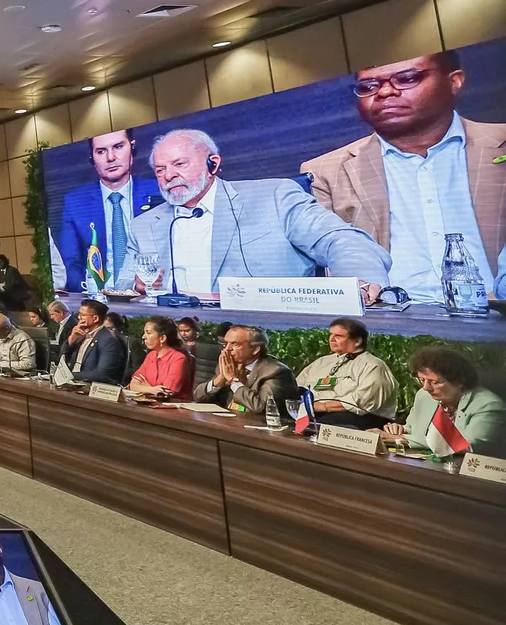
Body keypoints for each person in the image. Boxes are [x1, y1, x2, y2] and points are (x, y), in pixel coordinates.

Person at [301, 50, 505, 300]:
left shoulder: (500, 143)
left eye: (407, 78)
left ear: (454, 81)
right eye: (369, 85)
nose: (385, 92)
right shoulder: (325, 172)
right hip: (392, 321)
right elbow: (327, 267)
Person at [116, 129, 390, 304]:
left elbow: (340, 239)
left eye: (179, 164)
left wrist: (362, 281)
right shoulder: (143, 226)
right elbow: (123, 285)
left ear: (213, 163)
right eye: (160, 170)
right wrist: (137, 286)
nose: (169, 176)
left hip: (265, 336)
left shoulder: (274, 196)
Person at [54, 130, 164, 293]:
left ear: (132, 149)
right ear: (92, 158)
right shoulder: (75, 201)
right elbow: (70, 262)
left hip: (151, 293)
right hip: (98, 297)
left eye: (118, 147)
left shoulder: (160, 191)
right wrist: (93, 292)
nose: (110, 158)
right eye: (101, 151)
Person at [382, 347, 503, 457]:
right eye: (421, 380)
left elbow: (465, 445)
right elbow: (412, 428)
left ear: (460, 381)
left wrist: (401, 438)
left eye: (434, 382)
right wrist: (400, 430)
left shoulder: (489, 406)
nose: (425, 387)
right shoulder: (424, 396)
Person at [295, 318, 399, 429]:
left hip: (360, 418)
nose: (332, 339)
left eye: (338, 336)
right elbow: (297, 387)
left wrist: (323, 406)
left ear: (358, 341)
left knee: (324, 424)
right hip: (314, 413)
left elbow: (363, 402)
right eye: (330, 335)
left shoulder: (373, 366)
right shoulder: (322, 362)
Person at [195, 325, 297, 417]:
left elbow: (261, 407)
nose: (227, 349)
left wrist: (233, 380)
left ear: (255, 349)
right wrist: (220, 379)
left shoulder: (276, 372)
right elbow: (198, 397)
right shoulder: (228, 367)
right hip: (230, 426)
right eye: (225, 344)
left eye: (235, 344)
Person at [127, 317, 193, 400]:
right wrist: (152, 389)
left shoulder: (179, 359)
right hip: (149, 403)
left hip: (174, 408)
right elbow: (133, 384)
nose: (143, 337)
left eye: (148, 333)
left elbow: (165, 393)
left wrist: (144, 386)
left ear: (162, 338)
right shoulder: (151, 355)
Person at [65, 300, 125, 384]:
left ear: (95, 318)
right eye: (79, 314)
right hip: (72, 383)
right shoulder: (80, 334)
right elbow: (61, 358)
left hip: (89, 387)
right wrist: (71, 341)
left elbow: (103, 374)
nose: (79, 318)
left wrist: (70, 376)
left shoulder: (109, 340)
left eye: (83, 315)